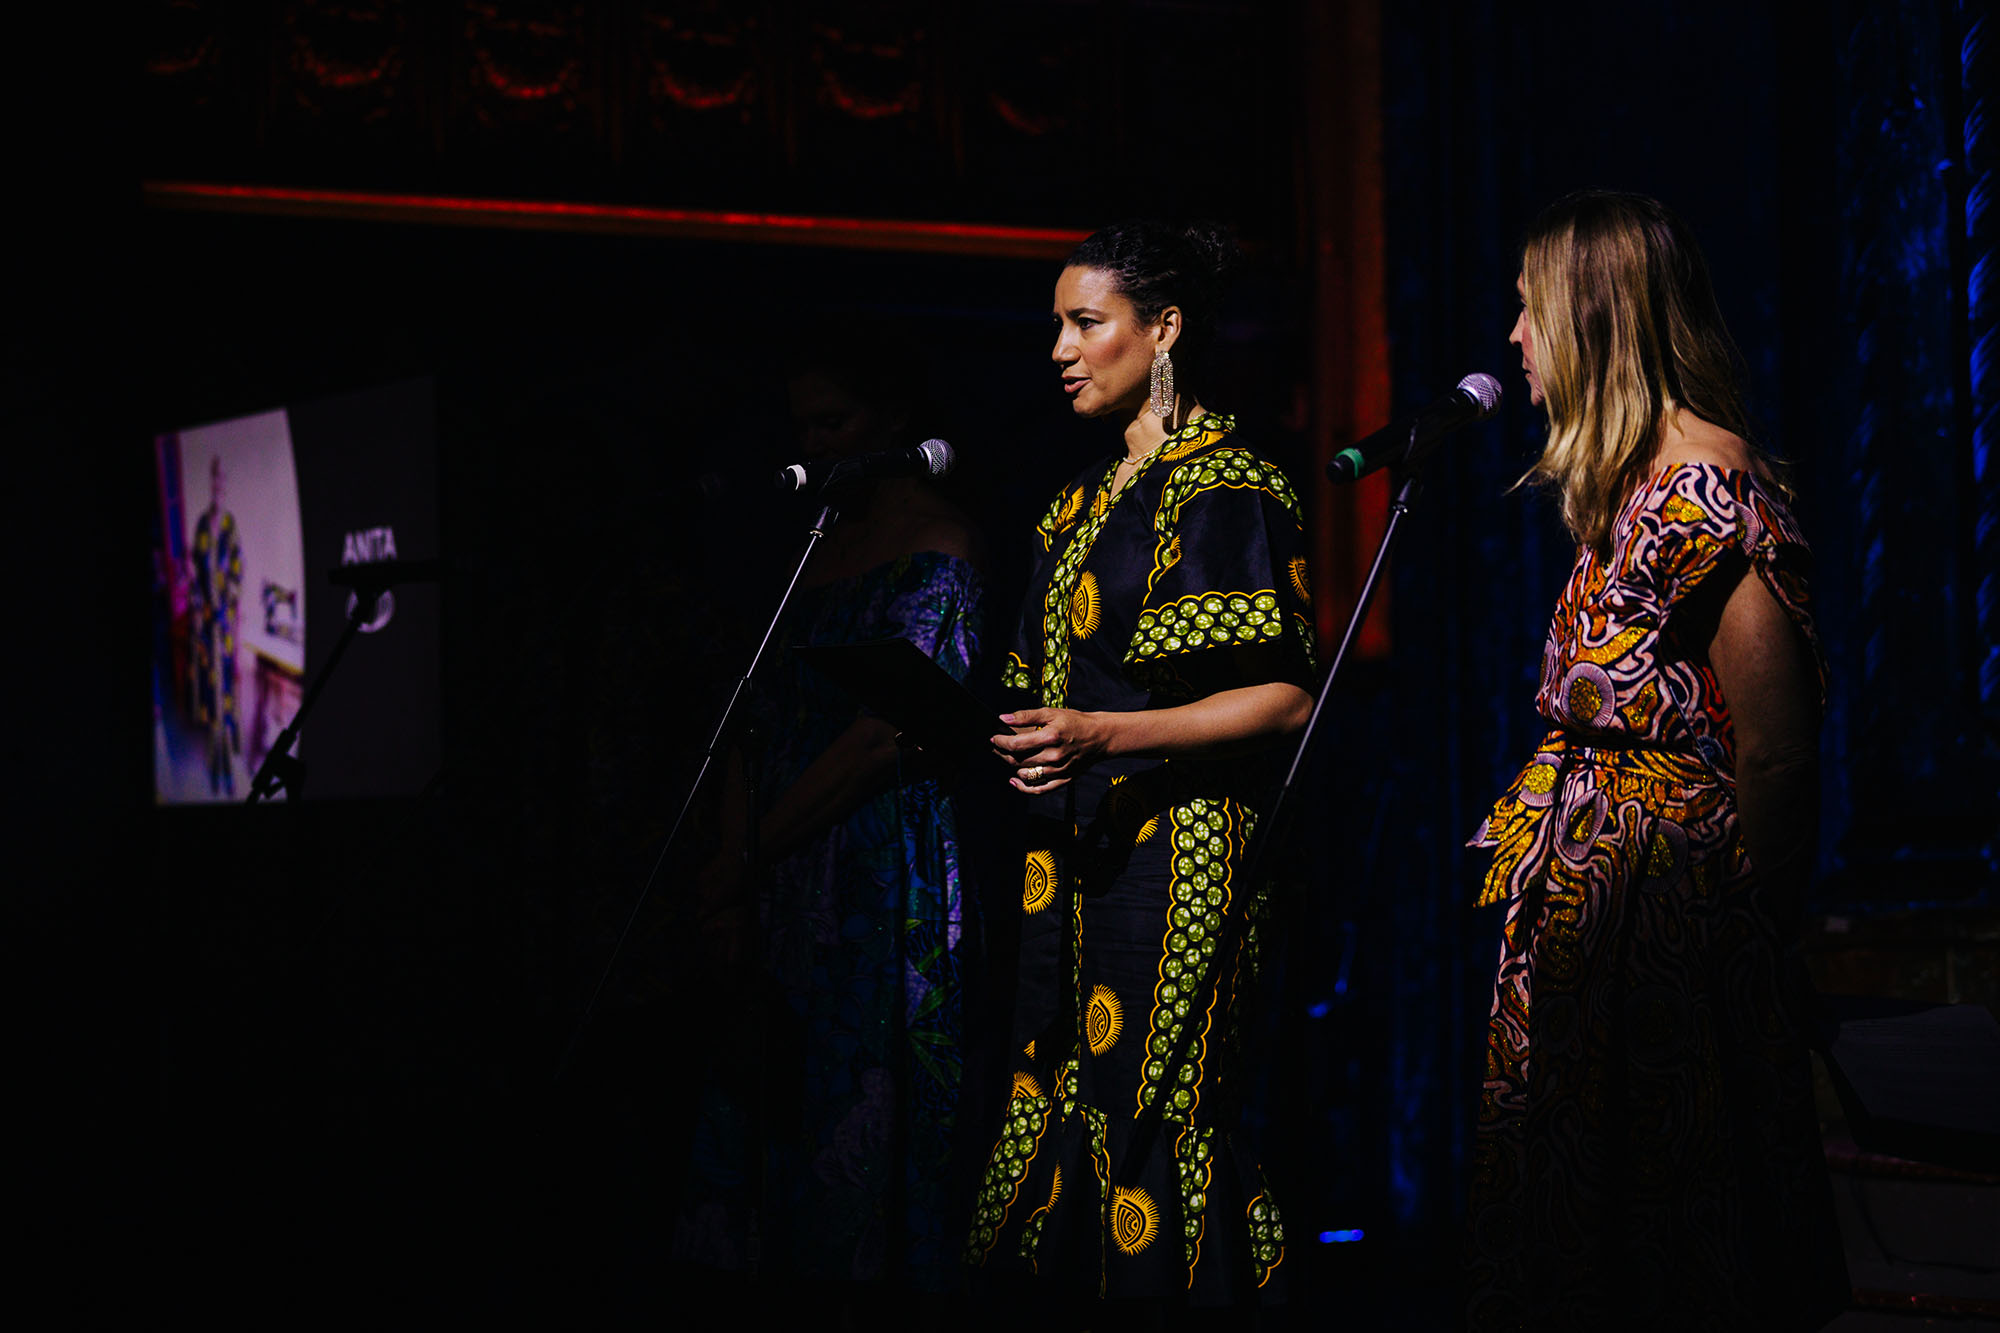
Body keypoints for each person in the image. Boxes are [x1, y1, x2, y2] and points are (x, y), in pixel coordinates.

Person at [1467, 192, 1848, 1331]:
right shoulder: (1628, 486)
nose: (1514, 337)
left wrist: (1750, 935)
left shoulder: (1699, 487)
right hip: (1601, 909)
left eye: (1529, 308)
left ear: (1593, 316)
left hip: (1666, 918)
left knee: (1673, 1226)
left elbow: (1776, 746)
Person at [963, 221, 1316, 1317]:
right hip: (1071, 851)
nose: (1061, 351)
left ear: (1162, 329)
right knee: (1058, 1086)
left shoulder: (1227, 483)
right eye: (1056, 326)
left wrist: (1100, 736)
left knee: (1156, 1106)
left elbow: (1284, 697)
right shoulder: (1074, 503)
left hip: (1181, 853)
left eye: (1086, 323)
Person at [673, 339, 987, 1314]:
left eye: (833, 422)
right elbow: (750, 719)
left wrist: (751, 850)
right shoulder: (809, 549)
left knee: (856, 1115)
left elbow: (882, 737)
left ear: (891, 419)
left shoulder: (941, 545)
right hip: (775, 863)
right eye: (801, 424)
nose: (813, 444)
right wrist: (732, 870)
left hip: (869, 868)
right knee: (765, 1100)